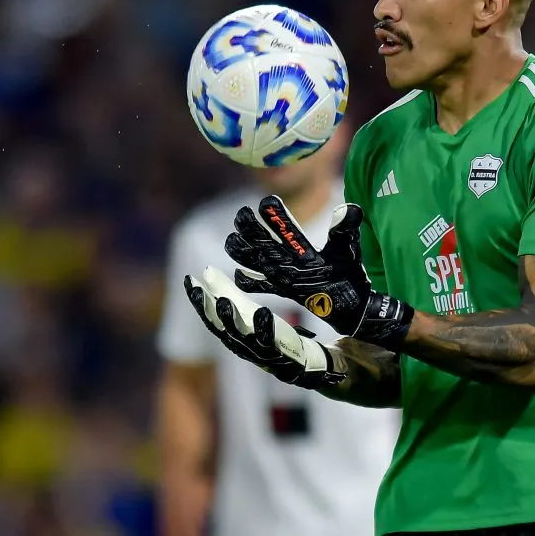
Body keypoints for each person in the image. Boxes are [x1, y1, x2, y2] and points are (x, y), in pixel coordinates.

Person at [184, 0, 535, 536]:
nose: (384, 6)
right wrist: (306, 358)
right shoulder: (378, 146)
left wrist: (376, 315)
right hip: (421, 514)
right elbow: (400, 357)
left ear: (488, 6)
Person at [155, 122, 399, 536]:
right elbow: (186, 388)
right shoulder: (203, 240)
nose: (278, 143)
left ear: (337, 131)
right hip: (253, 523)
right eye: (262, 126)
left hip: (375, 517)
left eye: (297, 126)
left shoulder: (382, 229)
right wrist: (180, 507)